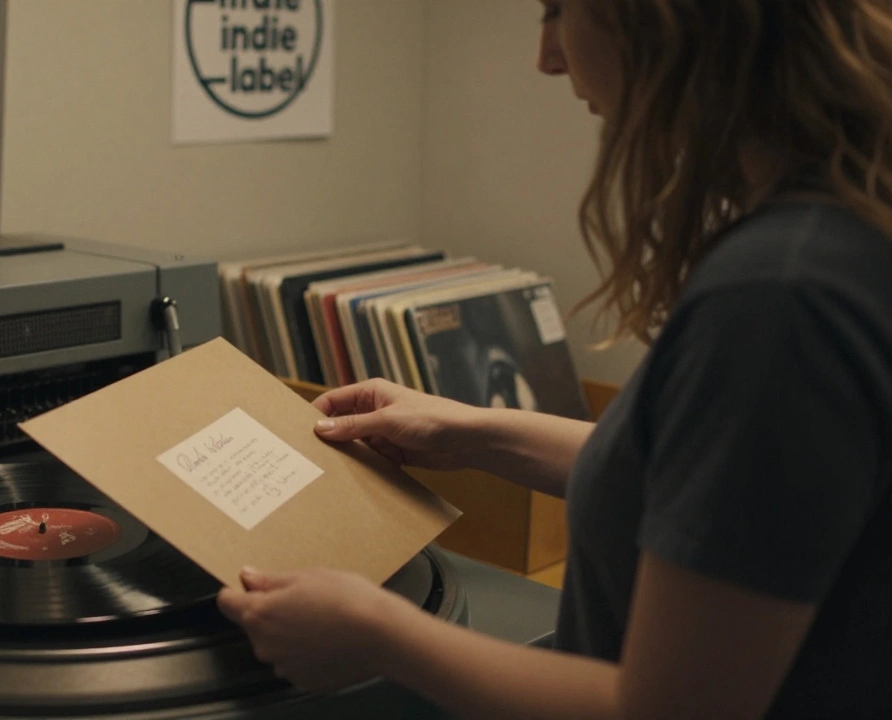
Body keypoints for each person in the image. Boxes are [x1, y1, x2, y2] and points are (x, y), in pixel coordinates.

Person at [216, 1, 892, 718]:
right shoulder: (844, 226)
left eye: (557, 9)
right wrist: (477, 433)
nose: (547, 56)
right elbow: (722, 490)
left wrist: (381, 636)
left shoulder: (777, 299)